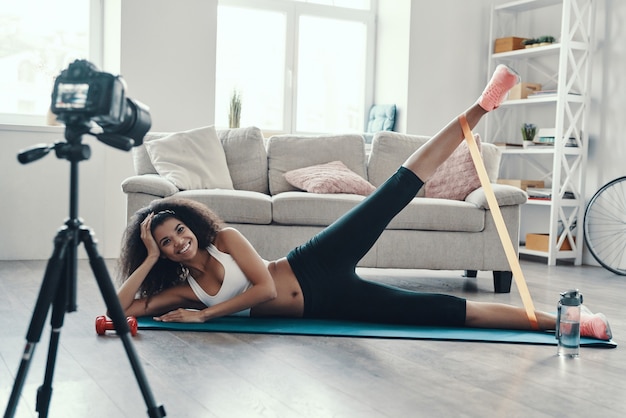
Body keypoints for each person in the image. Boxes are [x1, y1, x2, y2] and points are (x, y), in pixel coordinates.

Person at [116, 65, 612, 340]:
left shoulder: (224, 239)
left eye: (178, 232)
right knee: (445, 311)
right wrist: (150, 261)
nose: (178, 243)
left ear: (191, 225)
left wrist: (206, 317)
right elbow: (124, 312)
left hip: (312, 264)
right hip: (328, 305)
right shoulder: (183, 288)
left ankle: (480, 107)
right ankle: (563, 320)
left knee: (396, 190)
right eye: (166, 243)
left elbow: (265, 289)